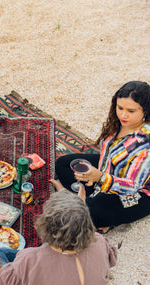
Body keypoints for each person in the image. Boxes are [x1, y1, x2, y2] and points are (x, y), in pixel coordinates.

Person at [51, 81, 150, 233]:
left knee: (92, 210)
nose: (123, 115)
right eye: (120, 107)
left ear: (145, 111)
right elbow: (107, 155)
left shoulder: (145, 144)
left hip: (136, 191)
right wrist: (97, 175)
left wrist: (101, 178)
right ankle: (85, 200)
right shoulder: (118, 123)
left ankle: (78, 199)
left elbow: (132, 186)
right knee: (64, 164)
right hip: (110, 169)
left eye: (131, 111)